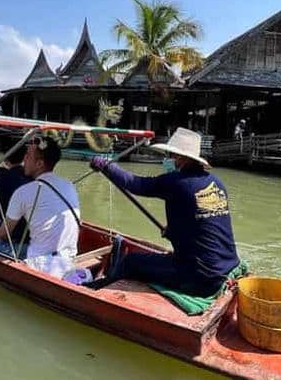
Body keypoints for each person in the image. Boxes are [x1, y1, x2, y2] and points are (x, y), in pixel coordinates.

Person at [90, 127, 240, 297]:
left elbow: (135, 183)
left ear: (180, 157)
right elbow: (201, 223)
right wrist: (173, 232)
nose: (168, 160)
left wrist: (106, 166)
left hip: (201, 279)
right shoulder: (217, 183)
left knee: (130, 261)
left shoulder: (176, 182)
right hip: (226, 268)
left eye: (170, 156)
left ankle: (98, 291)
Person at [0, 137, 80, 277]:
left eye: (28, 156)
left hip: (39, 263)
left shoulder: (24, 192)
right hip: (68, 258)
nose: (24, 159)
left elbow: (2, 234)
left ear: (39, 163)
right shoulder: (69, 185)